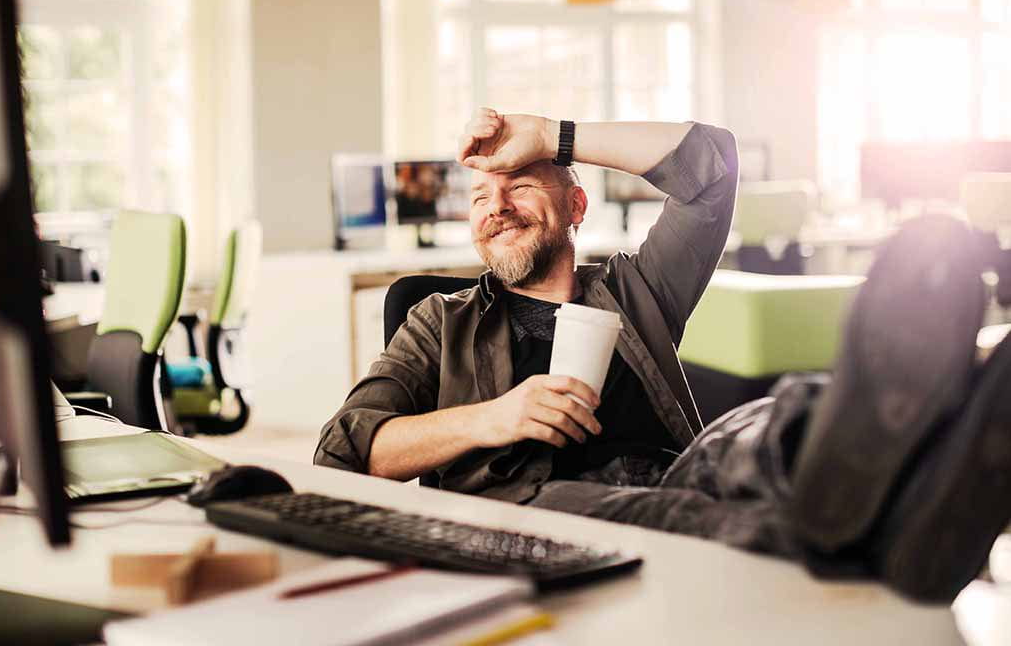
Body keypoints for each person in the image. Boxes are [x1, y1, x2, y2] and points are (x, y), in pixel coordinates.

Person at [316, 109, 1011, 603]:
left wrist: (550, 133)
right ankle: (910, 525)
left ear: (577, 204)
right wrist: (495, 418)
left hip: (677, 476)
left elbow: (711, 166)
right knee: (705, 519)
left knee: (759, 422)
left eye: (521, 183)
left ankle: (926, 449)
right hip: (535, 513)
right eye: (479, 197)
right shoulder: (438, 321)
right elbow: (344, 448)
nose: (496, 205)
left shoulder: (636, 288)